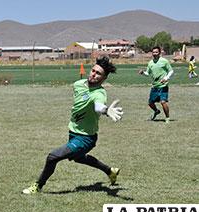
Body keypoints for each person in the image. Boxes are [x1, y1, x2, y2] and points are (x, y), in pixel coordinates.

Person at [22, 56, 123, 194]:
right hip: (73, 132)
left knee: (53, 157)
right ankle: (109, 171)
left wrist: (105, 110)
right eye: (93, 70)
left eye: (98, 73)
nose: (93, 74)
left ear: (104, 78)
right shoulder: (78, 84)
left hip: (86, 138)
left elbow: (98, 106)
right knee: (79, 158)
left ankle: (37, 186)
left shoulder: (99, 93)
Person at [138, 46, 174, 123]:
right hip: (154, 86)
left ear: (159, 53)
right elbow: (148, 73)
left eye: (156, 52)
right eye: (153, 52)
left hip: (163, 86)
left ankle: (167, 117)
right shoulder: (150, 63)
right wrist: (143, 73)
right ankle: (156, 111)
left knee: (163, 102)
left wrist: (166, 78)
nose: (154, 54)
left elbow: (171, 71)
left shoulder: (164, 61)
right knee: (150, 103)